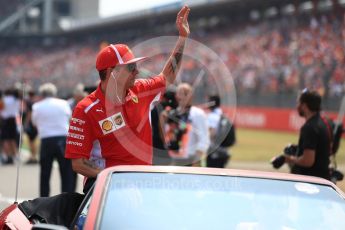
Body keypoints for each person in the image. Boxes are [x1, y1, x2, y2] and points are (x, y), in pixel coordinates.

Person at [65, 6, 190, 192]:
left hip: (143, 185)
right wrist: (117, 181)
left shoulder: (141, 90)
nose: (137, 71)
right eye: (130, 67)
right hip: (106, 190)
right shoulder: (86, 109)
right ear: (110, 72)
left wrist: (182, 38)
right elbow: (79, 163)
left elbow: (168, 76)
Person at [32, 83, 76, 197]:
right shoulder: (64, 103)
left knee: (45, 173)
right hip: (63, 138)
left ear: (42, 94)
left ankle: (44, 199)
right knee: (66, 172)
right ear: (54, 93)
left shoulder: (37, 106)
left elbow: (34, 123)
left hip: (46, 139)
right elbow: (69, 119)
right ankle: (67, 198)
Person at [284, 89, 331, 180]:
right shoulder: (322, 122)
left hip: (313, 181)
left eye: (299, 103)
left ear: (304, 106)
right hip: (322, 178)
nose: (297, 106)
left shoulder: (309, 127)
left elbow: (308, 161)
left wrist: (288, 159)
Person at [166, 83, 210, 166]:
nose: (183, 97)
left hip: (190, 159)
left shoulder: (198, 114)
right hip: (172, 159)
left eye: (186, 93)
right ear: (176, 96)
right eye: (180, 93)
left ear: (191, 96)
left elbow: (204, 138)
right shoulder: (171, 114)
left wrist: (196, 159)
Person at [206, 95, 236, 168]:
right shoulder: (222, 115)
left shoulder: (212, 116)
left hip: (214, 153)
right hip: (224, 152)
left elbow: (212, 133)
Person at [0, 88, 20, 165]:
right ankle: (14, 155)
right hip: (13, 120)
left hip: (5, 121)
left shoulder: (3, 100)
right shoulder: (16, 100)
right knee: (13, 139)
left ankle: (7, 155)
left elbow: (1, 110)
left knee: (5, 139)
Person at [24, 89, 39, 164]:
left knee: (31, 141)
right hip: (36, 123)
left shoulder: (29, 102)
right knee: (34, 141)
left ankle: (32, 156)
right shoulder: (37, 102)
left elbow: (29, 113)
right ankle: (34, 155)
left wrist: (26, 123)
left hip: (31, 123)